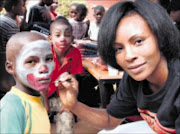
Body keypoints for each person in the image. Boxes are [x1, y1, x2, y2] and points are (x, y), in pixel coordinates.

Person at [55, 0, 180, 133]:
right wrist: (74, 105)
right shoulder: (134, 78)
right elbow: (110, 119)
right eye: (119, 48)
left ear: (160, 37)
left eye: (138, 41)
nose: (129, 56)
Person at [0, 32, 54, 133]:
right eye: (31, 61)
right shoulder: (12, 107)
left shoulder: (38, 96)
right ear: (11, 67)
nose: (44, 68)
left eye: (49, 59)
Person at [46, 17, 83, 134]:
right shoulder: (45, 53)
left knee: (67, 118)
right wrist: (45, 105)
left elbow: (73, 82)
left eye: (67, 35)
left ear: (72, 38)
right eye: (58, 35)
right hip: (40, 96)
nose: (62, 39)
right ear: (50, 39)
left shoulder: (75, 53)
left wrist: (69, 104)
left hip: (61, 97)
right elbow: (40, 83)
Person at [0, 0, 26, 99]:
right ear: (14, 8)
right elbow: (15, 47)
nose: (24, 8)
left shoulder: (3, 19)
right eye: (22, 6)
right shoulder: (11, 24)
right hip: (5, 64)